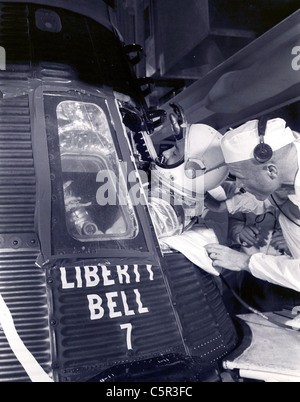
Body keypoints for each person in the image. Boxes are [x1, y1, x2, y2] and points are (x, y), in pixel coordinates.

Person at [205, 117, 300, 293]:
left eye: (241, 177)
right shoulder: (285, 175)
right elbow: (264, 199)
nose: (239, 185)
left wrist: (245, 261)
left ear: (271, 170)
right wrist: (222, 206)